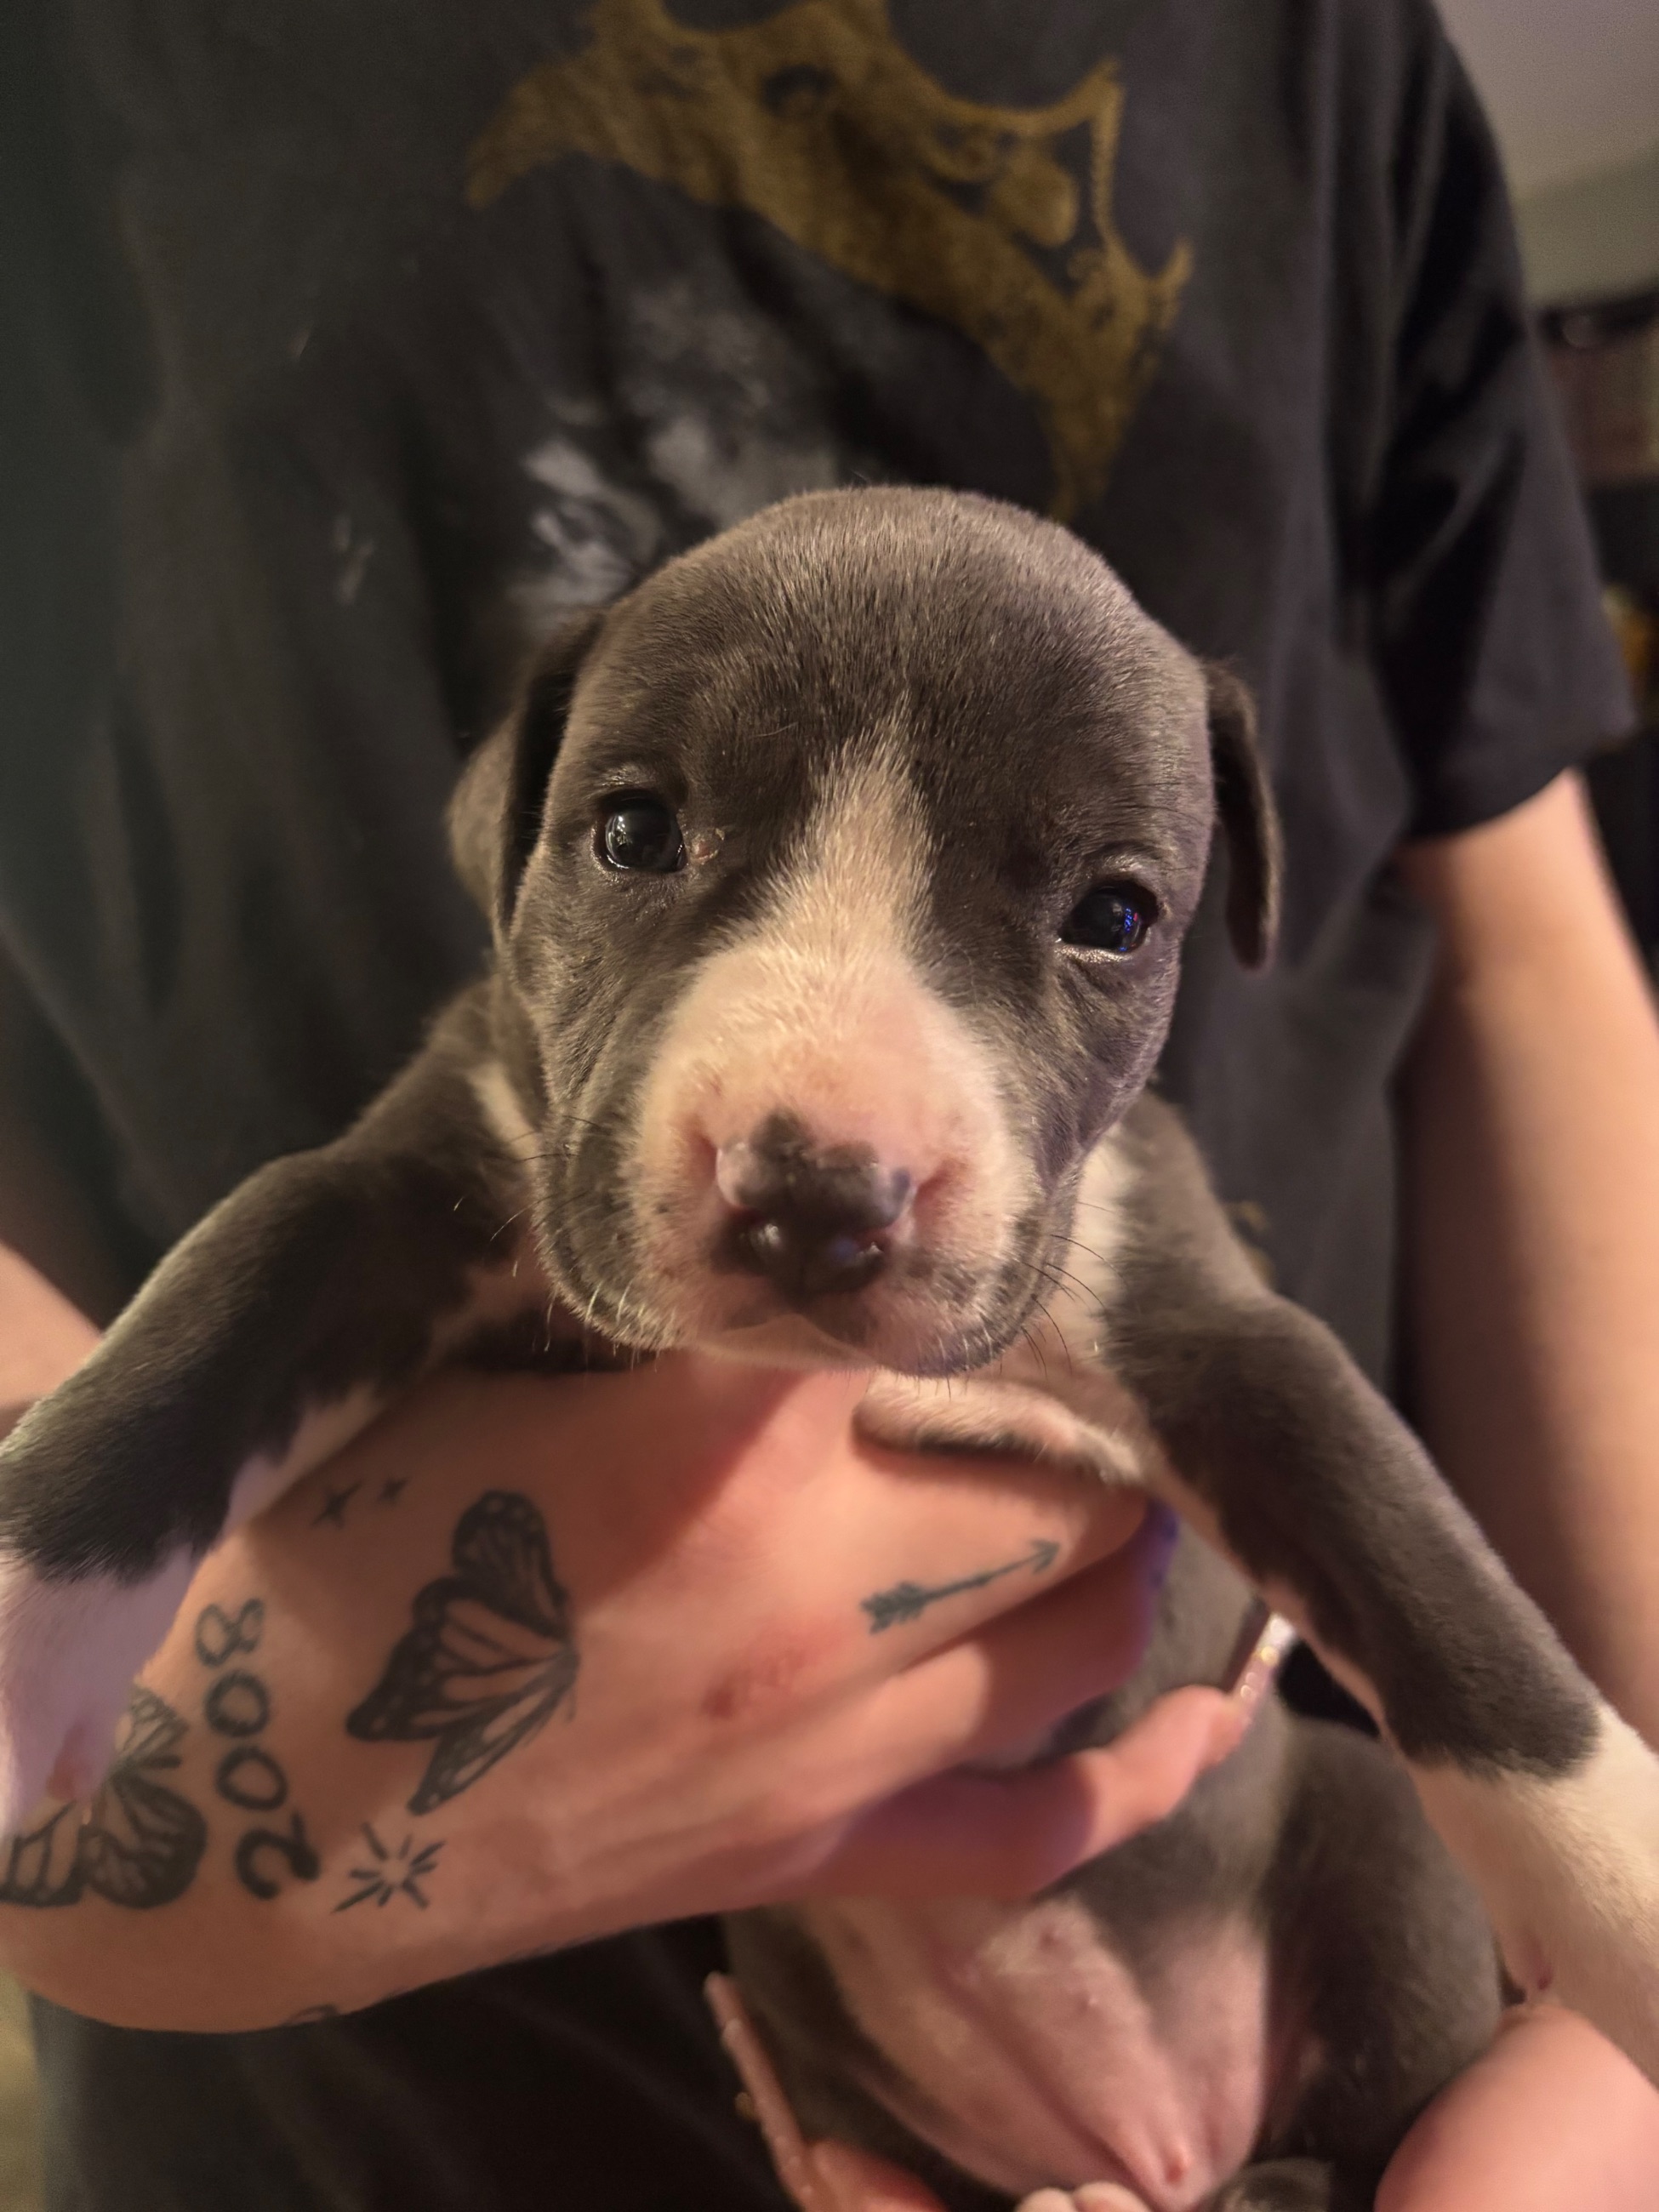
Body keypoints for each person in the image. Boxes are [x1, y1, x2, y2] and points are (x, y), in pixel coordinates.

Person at [3, 0, 1659, 2205]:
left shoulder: (1328, 52)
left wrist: (1616, 2002)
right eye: (634, 839)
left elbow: (1530, 967)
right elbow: (314, 1261)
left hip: (1303, 1986)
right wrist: (97, 1728)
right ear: (508, 836)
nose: (824, 1149)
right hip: (387, 2114)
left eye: (1095, 914)